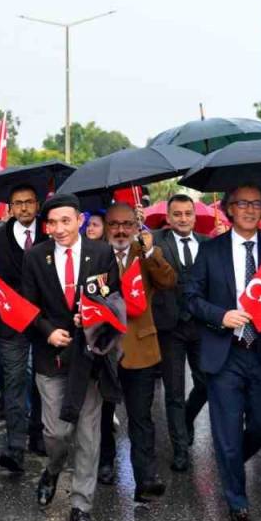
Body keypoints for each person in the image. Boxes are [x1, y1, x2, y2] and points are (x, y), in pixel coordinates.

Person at [186, 184, 261, 521]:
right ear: (229, 209)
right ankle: (237, 502)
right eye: (243, 204)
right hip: (227, 353)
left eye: (257, 204)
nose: (251, 210)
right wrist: (220, 315)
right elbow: (191, 297)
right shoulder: (211, 251)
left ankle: (232, 461)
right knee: (225, 432)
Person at [22, 194, 121, 521]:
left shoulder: (102, 253)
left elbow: (115, 301)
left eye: (66, 221)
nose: (59, 228)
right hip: (52, 358)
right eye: (52, 222)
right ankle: (51, 470)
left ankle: (81, 504)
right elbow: (28, 306)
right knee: (56, 433)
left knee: (89, 434)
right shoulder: (36, 257)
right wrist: (48, 331)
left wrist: (94, 318)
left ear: (80, 220)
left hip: (89, 356)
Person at [97, 202, 176, 502]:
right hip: (103, 348)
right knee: (104, 414)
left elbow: (169, 281)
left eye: (127, 224)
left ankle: (146, 478)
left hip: (140, 347)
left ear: (135, 226)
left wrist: (152, 252)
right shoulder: (94, 253)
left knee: (141, 417)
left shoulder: (145, 254)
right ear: (107, 226)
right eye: (114, 224)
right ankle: (106, 463)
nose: (120, 230)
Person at [0, 184, 48, 470]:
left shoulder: (50, 232)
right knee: (14, 384)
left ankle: (38, 434)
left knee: (42, 382)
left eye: (29, 202)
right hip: (9, 323)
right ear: (10, 207)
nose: (24, 208)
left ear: (38, 205)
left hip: (44, 322)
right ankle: (15, 446)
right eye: (18, 203)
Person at [151, 193, 209, 472]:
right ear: (169, 217)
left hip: (201, 326)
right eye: (177, 214)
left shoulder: (209, 244)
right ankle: (180, 448)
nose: (183, 219)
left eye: (188, 213)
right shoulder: (155, 241)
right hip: (169, 327)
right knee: (173, 391)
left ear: (195, 216)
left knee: (206, 383)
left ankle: (186, 419)